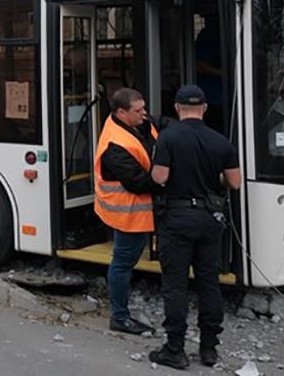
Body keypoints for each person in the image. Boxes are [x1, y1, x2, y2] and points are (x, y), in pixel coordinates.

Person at [147, 84, 241, 370]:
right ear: (204, 108)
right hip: (210, 220)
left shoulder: (168, 137)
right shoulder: (220, 141)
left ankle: (175, 349)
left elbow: (160, 177)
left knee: (175, 285)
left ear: (177, 108)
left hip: (177, 219)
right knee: (208, 282)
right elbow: (234, 183)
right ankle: (209, 348)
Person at [94, 87, 161, 335]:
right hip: (128, 216)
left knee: (124, 262)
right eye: (139, 110)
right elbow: (140, 182)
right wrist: (167, 175)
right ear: (121, 113)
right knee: (122, 263)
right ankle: (119, 317)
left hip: (140, 213)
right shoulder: (115, 146)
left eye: (144, 108)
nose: (145, 114)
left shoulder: (137, 124)